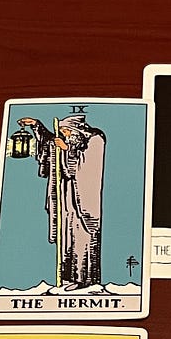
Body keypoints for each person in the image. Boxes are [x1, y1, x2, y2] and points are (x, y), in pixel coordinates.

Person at [17, 114, 106, 290]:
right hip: (66, 196)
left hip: (82, 200)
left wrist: (66, 150)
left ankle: (84, 279)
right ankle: (68, 277)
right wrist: (36, 125)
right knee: (67, 235)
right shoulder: (70, 141)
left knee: (81, 237)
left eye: (66, 131)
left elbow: (85, 167)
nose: (64, 135)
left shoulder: (95, 140)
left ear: (77, 131)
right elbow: (50, 141)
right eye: (63, 132)